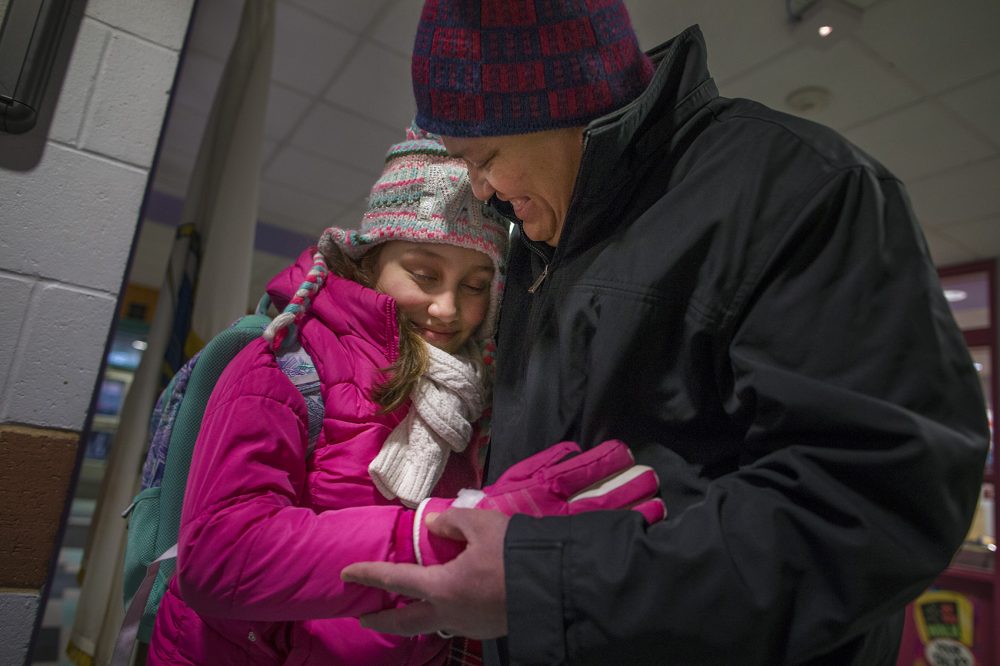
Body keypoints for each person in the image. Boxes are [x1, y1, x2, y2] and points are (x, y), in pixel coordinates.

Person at [340, 3, 991, 664]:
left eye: (483, 158)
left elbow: (873, 505)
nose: (479, 190)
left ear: (549, 107)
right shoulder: (542, 245)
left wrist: (547, 586)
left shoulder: (804, 192)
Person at [146, 126, 664, 665]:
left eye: (475, 285)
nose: (447, 308)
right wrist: (433, 535)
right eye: (423, 273)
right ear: (370, 261)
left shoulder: (472, 398)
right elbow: (220, 556)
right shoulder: (287, 362)